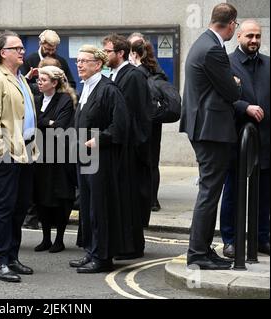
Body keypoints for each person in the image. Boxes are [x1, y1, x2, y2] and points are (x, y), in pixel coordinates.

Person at [179, 3, 241, 270]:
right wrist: (235, 83)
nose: (234, 31)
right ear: (230, 23)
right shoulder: (213, 49)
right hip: (211, 131)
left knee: (210, 191)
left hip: (204, 128)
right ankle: (198, 254)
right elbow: (231, 91)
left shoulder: (202, 43)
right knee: (209, 192)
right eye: (235, 26)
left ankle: (203, 250)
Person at [0, 31, 39, 283]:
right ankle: (0, 260)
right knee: (3, 208)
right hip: (6, 154)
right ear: (3, 53)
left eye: (22, 47)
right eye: (17, 48)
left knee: (19, 206)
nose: (22, 51)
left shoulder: (19, 77)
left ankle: (12, 257)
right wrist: (1, 151)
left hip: (24, 152)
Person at [70, 45, 137, 273]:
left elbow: (120, 126)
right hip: (84, 157)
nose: (79, 64)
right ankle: (91, 250)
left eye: (84, 61)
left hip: (102, 158)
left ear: (97, 64)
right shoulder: (87, 88)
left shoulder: (109, 89)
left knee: (100, 207)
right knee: (88, 206)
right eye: (78, 61)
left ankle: (102, 256)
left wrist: (98, 139)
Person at [221, 20, 269, 258]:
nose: (254, 40)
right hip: (237, 137)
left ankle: (262, 238)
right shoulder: (226, 63)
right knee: (233, 192)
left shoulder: (268, 64)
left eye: (258, 36)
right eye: (249, 35)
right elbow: (221, 97)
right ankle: (229, 240)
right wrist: (244, 107)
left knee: (264, 194)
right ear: (239, 36)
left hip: (266, 140)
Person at [102, 33, 152, 235]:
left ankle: (130, 244)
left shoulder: (133, 75)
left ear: (120, 53)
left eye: (107, 51)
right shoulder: (112, 74)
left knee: (129, 198)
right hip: (116, 146)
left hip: (129, 148)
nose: (103, 55)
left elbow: (137, 114)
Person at [33, 66, 76, 253]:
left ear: (54, 82)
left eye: (43, 80)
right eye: (38, 79)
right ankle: (45, 238)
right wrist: (47, 121)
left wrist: (43, 121)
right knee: (41, 197)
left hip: (59, 156)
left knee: (60, 197)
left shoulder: (65, 100)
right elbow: (32, 121)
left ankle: (59, 239)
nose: (39, 83)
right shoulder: (36, 99)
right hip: (39, 154)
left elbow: (60, 126)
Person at [129, 35, 168, 213]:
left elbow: (157, 84)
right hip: (142, 119)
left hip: (150, 120)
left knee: (151, 161)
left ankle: (152, 199)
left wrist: (139, 68)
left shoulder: (150, 68)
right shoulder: (139, 66)